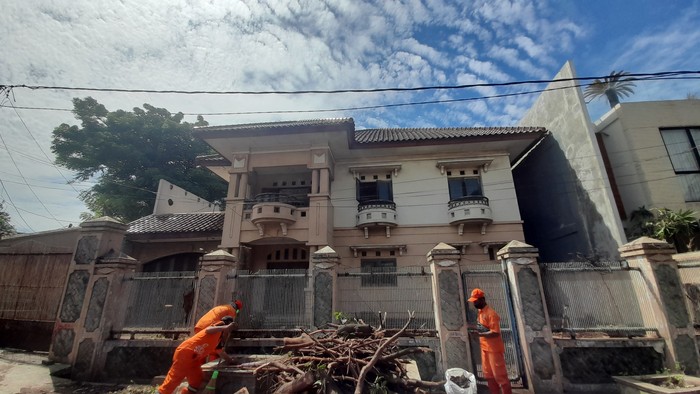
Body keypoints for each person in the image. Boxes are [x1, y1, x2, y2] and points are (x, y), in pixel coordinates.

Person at [159, 316, 237, 394]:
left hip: (194, 359)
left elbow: (220, 352)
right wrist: (226, 327)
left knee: (196, 380)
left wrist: (231, 361)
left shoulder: (218, 339)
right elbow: (208, 329)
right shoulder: (217, 326)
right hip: (186, 353)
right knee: (174, 379)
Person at [467, 288, 512, 394]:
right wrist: (470, 326)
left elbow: (495, 332)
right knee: (489, 376)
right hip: (485, 349)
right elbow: (482, 327)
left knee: (500, 377)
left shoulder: (491, 314)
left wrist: (478, 334)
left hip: (494, 350)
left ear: (482, 299)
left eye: (475, 301)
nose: (474, 303)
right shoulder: (480, 312)